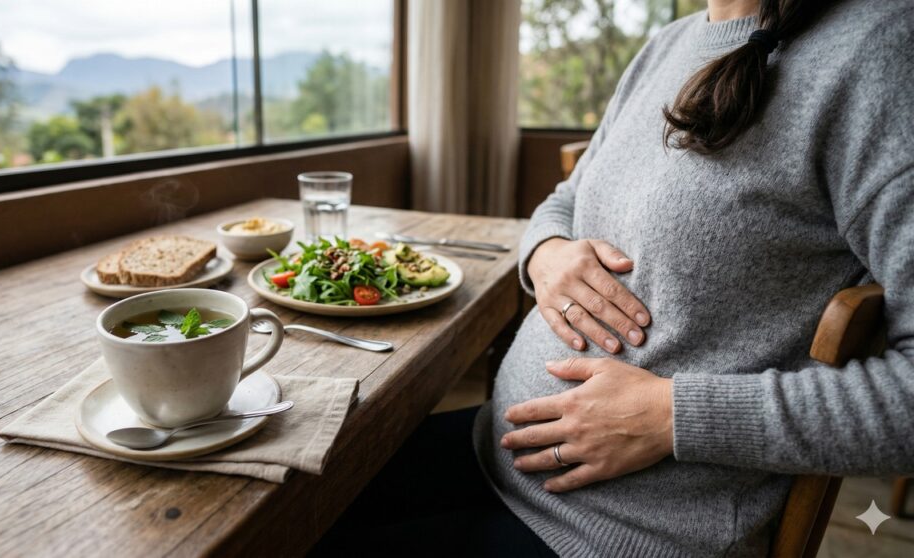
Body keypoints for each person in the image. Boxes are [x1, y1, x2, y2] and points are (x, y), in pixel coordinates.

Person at [311, 0, 914, 555]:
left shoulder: (880, 50)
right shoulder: (669, 43)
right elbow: (566, 198)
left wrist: (672, 414)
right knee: (294, 499)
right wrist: (546, 251)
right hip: (498, 451)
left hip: (622, 531)